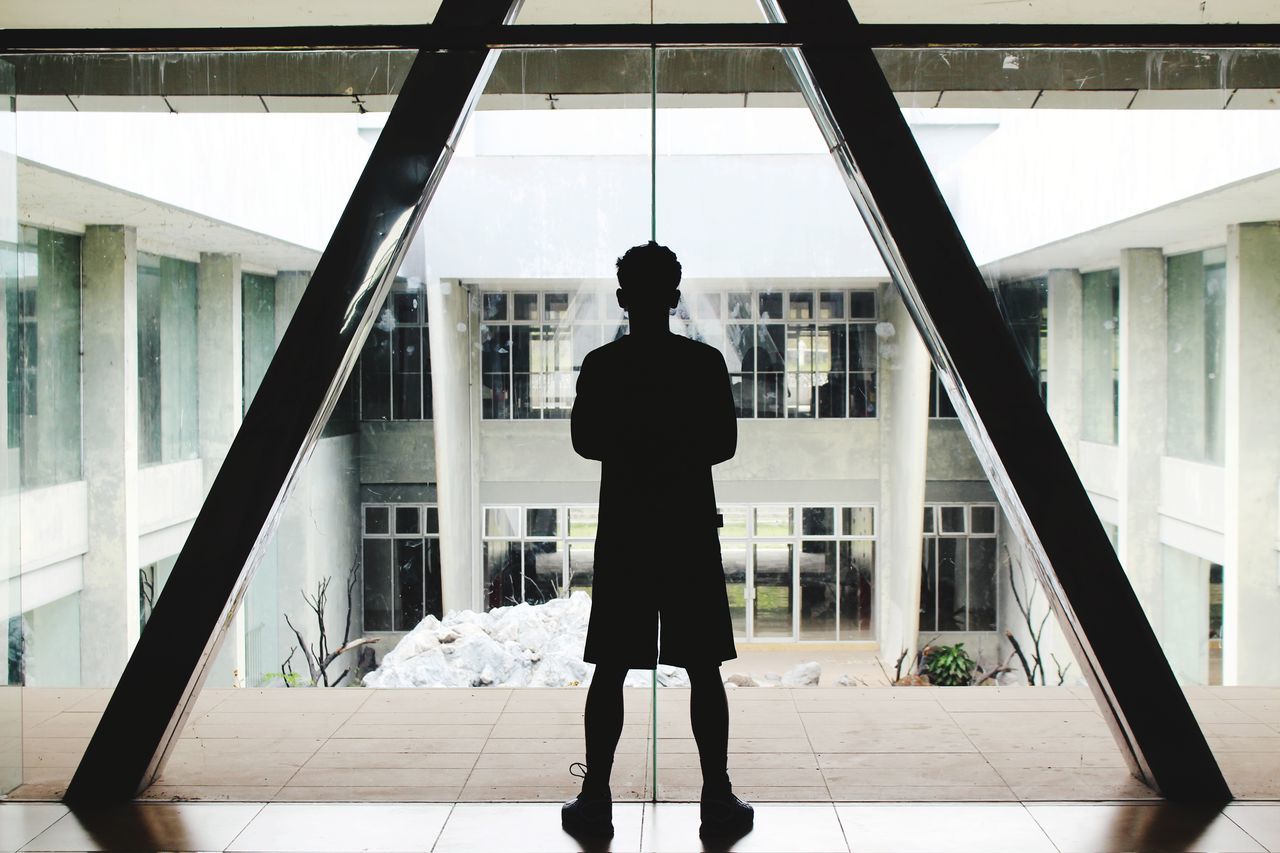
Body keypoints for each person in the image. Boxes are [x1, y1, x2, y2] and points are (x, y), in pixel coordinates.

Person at [561, 241, 754, 841]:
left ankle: (596, 800)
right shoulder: (703, 364)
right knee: (703, 668)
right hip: (688, 530)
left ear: (623, 298)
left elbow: (585, 443)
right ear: (675, 297)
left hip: (627, 531)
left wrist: (633, 441)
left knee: (611, 667)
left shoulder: (601, 365)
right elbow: (723, 445)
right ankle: (716, 801)